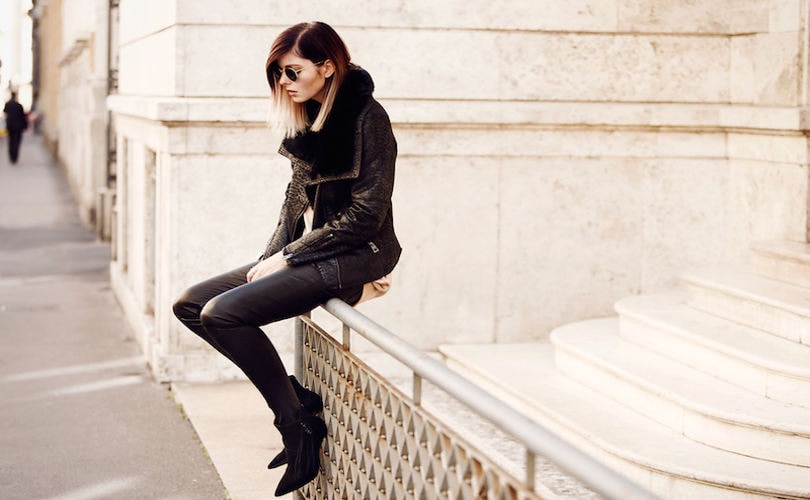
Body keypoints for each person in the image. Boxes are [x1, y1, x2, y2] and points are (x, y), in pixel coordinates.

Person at [172, 21, 401, 497]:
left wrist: (291, 256)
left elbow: (367, 215)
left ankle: (296, 427)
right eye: (277, 72)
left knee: (223, 314)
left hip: (359, 254)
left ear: (328, 67)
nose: (283, 81)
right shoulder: (311, 115)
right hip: (314, 252)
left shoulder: (368, 118)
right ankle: (298, 403)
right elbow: (294, 200)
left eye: (293, 71)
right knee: (192, 304)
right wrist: (271, 256)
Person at [3, 92, 28, 164]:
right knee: (17, 141)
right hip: (18, 126)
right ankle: (15, 157)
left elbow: (5, 114)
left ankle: (11, 156)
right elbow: (23, 117)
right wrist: (25, 126)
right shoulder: (19, 105)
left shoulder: (8, 104)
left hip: (10, 125)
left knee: (11, 141)